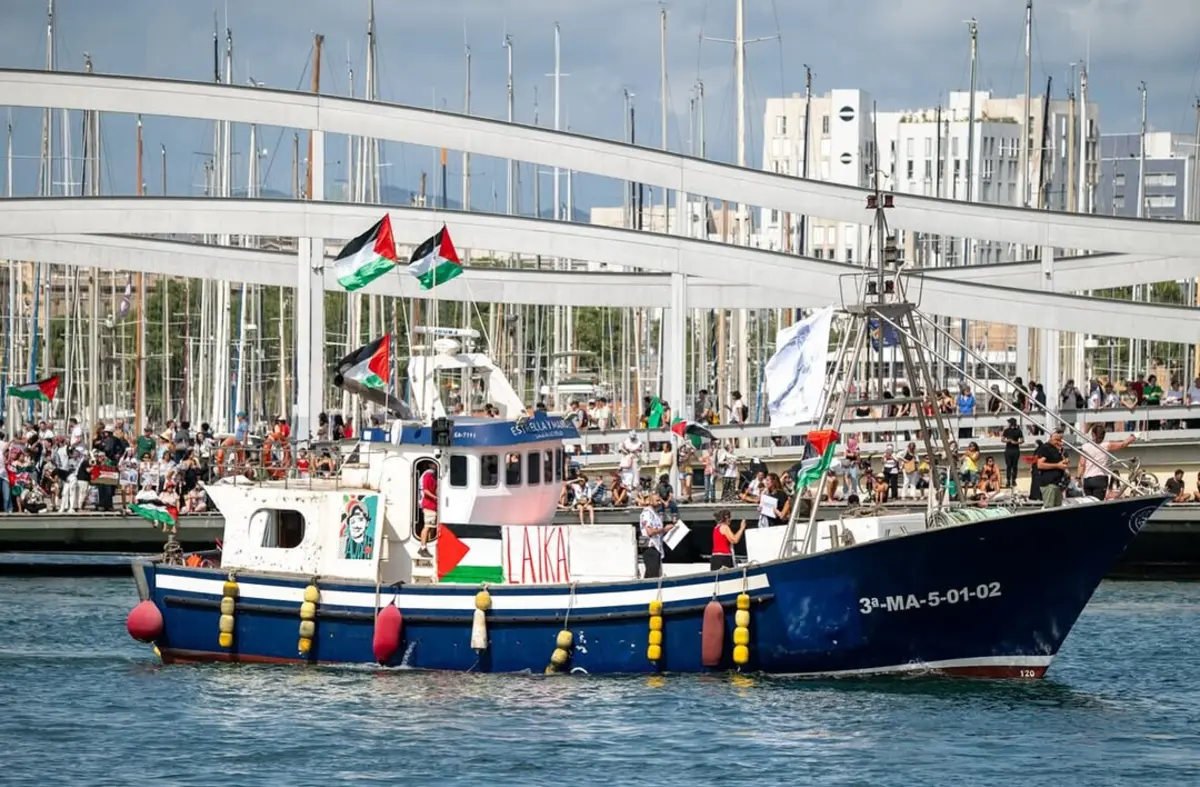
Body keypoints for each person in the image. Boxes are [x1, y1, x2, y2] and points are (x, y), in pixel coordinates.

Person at [1077, 424, 1136, 500]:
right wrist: (1132, 437)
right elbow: (1122, 444)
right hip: (1100, 479)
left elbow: (1081, 464)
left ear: (1093, 434)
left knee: (1089, 503)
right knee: (1098, 504)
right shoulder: (1106, 445)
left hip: (1088, 480)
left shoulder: (1085, 447)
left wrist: (1078, 477)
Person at [639, 493, 674, 579]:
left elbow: (657, 531)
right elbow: (649, 531)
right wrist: (664, 529)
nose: (659, 503)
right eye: (657, 500)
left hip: (657, 547)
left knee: (654, 573)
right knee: (652, 575)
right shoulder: (647, 513)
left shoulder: (655, 514)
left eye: (659, 500)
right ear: (650, 501)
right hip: (651, 547)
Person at [1034, 430, 1071, 508]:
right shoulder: (1045, 448)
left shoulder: (1057, 449)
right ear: (1050, 438)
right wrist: (1057, 465)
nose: (1059, 442)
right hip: (1050, 485)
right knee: (1050, 510)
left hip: (1057, 485)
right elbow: (1040, 465)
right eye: (1056, 440)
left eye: (1060, 440)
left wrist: (1064, 460)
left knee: (1057, 510)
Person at [416, 463, 439, 557]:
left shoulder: (432, 475)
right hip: (429, 505)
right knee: (427, 527)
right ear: (430, 465)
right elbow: (426, 490)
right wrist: (436, 498)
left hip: (432, 505)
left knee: (431, 527)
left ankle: (426, 547)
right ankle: (422, 548)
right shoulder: (428, 475)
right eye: (434, 464)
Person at [1001, 417, 1024, 489]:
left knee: (1014, 465)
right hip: (1008, 449)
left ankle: (1014, 479)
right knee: (1008, 466)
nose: (1008, 423)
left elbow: (1022, 440)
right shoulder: (1006, 430)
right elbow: (1002, 439)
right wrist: (1007, 441)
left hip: (1015, 450)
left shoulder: (1018, 431)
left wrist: (1016, 442)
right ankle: (1008, 480)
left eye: (1009, 422)